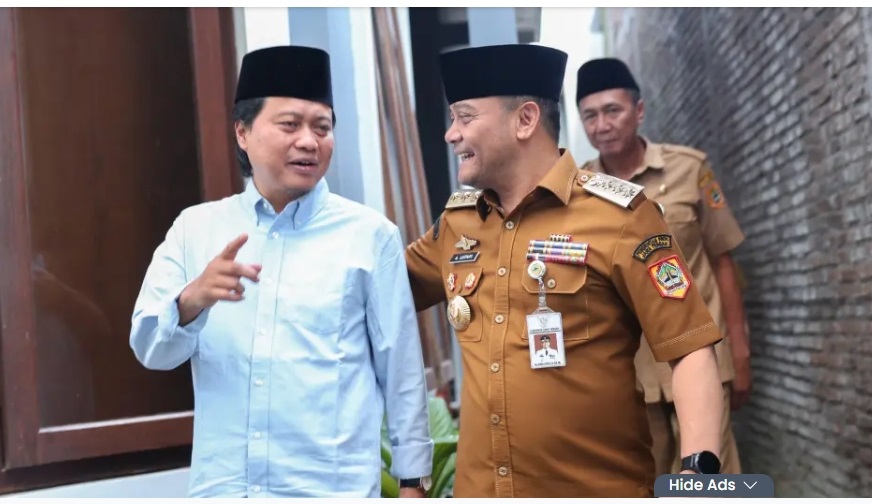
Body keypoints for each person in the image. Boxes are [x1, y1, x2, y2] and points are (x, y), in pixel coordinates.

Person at [404, 43, 726, 498]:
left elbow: (690, 349)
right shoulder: (457, 225)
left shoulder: (620, 217)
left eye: (465, 117)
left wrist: (697, 475)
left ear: (525, 120)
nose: (450, 134)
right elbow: (372, 294)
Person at [129, 45, 433, 498]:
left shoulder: (370, 237)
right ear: (243, 132)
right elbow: (150, 349)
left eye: (322, 127)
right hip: (226, 490)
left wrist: (413, 482)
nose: (309, 141)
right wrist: (192, 300)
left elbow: (402, 371)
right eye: (290, 125)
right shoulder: (196, 229)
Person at [575, 57, 751, 476]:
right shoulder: (580, 192)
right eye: (590, 115)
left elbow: (722, 261)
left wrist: (740, 351)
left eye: (612, 110)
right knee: (646, 481)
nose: (602, 125)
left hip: (703, 356)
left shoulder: (689, 169)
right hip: (631, 371)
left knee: (710, 481)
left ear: (638, 111)